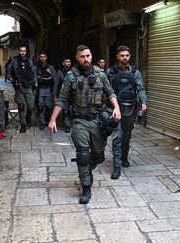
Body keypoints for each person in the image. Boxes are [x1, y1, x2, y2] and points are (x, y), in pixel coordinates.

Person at [48, 45, 121, 204]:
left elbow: (110, 93)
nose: (86, 59)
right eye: (82, 56)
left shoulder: (101, 75)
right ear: (77, 58)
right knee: (83, 155)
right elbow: (62, 98)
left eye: (88, 55)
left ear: (91, 55)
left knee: (99, 156)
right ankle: (86, 187)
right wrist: (53, 119)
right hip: (80, 120)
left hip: (97, 120)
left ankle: (86, 171)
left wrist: (116, 107)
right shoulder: (70, 77)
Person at [106, 45, 147, 179]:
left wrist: (144, 102)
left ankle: (124, 157)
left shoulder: (135, 72)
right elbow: (104, 90)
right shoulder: (110, 72)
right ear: (117, 56)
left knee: (126, 136)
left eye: (127, 55)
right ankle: (116, 166)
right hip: (115, 109)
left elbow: (141, 88)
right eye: (122, 55)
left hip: (130, 109)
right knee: (117, 136)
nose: (125, 57)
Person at [7, 45, 37, 133]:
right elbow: (8, 74)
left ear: (26, 51)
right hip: (19, 87)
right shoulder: (14, 61)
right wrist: (13, 80)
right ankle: (23, 125)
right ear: (18, 51)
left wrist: (35, 85)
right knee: (21, 106)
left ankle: (28, 118)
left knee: (31, 106)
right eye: (21, 50)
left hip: (28, 87)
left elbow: (34, 73)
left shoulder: (29, 61)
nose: (23, 52)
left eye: (24, 51)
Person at [36, 52, 56, 129]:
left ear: (46, 57)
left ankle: (45, 117)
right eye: (41, 57)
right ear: (39, 57)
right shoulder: (36, 67)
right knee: (40, 107)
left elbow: (55, 78)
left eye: (44, 56)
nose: (43, 58)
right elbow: (34, 77)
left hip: (48, 89)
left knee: (49, 107)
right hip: (40, 89)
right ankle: (42, 122)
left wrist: (50, 73)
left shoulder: (50, 67)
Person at [53, 57, 72, 132]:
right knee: (66, 111)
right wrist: (55, 95)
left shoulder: (73, 72)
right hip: (63, 94)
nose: (68, 63)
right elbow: (56, 85)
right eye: (66, 62)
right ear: (63, 63)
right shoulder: (59, 72)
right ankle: (67, 126)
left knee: (73, 111)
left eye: (69, 62)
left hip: (72, 95)